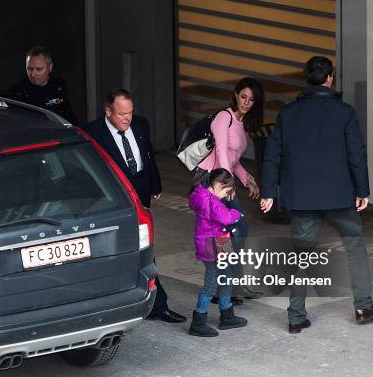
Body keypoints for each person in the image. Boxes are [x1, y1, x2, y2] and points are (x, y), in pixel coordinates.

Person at [260, 56, 373, 334]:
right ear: (330, 78)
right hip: (339, 196)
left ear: (306, 78)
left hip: (302, 198)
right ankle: (363, 306)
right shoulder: (344, 112)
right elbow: (356, 154)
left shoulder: (288, 113)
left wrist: (269, 191)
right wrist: (363, 190)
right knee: (354, 246)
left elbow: (273, 155)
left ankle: (296, 317)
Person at [84, 88, 186, 324]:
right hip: (115, 200)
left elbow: (147, 155)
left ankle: (154, 303)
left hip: (140, 191)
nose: (127, 119)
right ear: (108, 112)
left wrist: (155, 184)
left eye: (130, 112)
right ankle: (142, 302)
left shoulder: (140, 124)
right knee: (128, 250)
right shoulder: (93, 133)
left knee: (143, 247)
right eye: (121, 114)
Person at [196, 77, 265, 304]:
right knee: (235, 230)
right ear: (235, 94)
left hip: (223, 180)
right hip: (212, 182)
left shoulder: (241, 123)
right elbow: (222, 151)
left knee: (229, 234)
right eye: (243, 97)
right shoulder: (223, 117)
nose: (246, 102)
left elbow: (234, 160)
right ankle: (228, 286)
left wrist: (247, 180)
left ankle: (227, 286)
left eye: (251, 99)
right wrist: (228, 185)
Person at [188, 169, 248, 337]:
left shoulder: (204, 195)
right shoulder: (210, 201)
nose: (226, 195)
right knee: (211, 283)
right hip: (212, 245)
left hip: (221, 241)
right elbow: (227, 218)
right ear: (216, 185)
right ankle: (198, 322)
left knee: (226, 276)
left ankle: (227, 313)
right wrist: (238, 213)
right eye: (226, 191)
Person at [5, 46, 78, 124]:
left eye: (39, 69)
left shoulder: (59, 84)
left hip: (60, 131)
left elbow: (68, 114)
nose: (33, 74)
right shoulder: (17, 91)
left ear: (50, 67)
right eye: (29, 69)